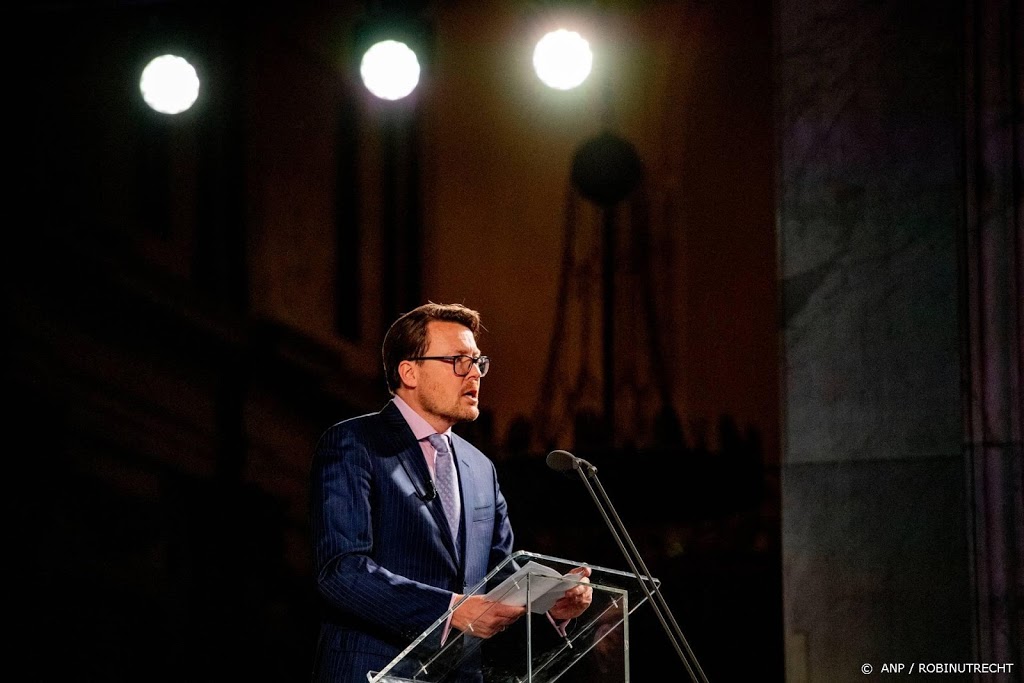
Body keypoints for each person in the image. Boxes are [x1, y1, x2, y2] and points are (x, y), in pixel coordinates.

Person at [310, 302, 592, 682]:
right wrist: (449, 610)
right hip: (375, 672)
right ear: (409, 372)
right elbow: (341, 572)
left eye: (478, 362)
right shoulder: (355, 443)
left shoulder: (481, 468)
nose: (474, 373)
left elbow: (498, 584)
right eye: (459, 361)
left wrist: (552, 605)